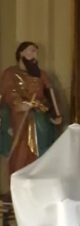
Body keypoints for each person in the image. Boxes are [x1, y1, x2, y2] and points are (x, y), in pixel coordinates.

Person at [0, 42, 62, 175]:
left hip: (40, 113)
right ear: (21, 53)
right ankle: (19, 174)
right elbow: (8, 92)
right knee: (21, 145)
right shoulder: (10, 73)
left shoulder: (41, 74)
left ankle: (39, 174)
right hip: (19, 114)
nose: (34, 54)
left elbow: (50, 94)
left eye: (36, 52)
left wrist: (55, 113)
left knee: (43, 140)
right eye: (31, 51)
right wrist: (19, 104)